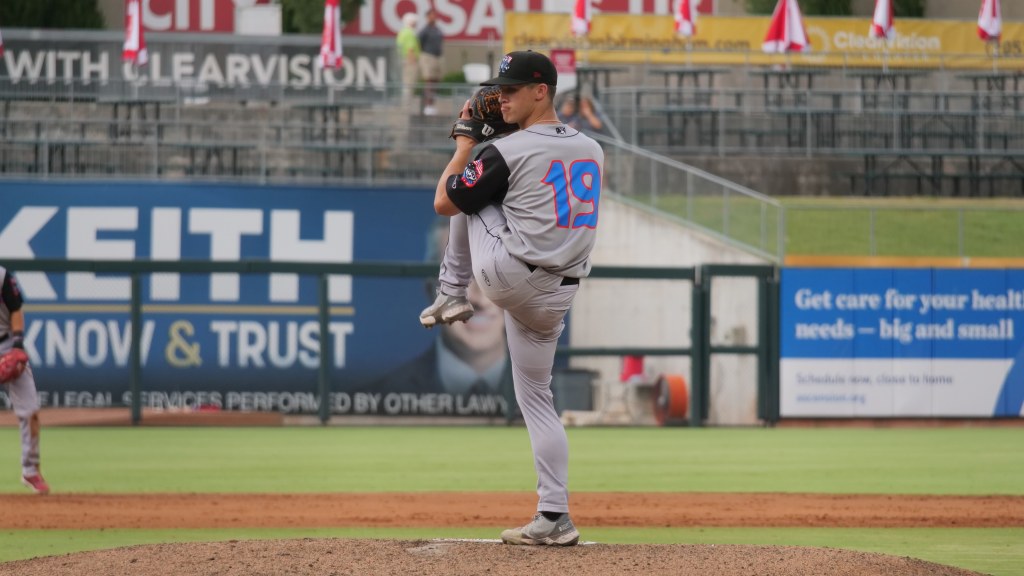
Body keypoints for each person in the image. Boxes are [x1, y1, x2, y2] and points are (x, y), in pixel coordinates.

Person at [419, 50, 604, 546]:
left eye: (512, 89)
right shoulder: (592, 148)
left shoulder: (506, 153)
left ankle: (451, 293)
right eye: (499, 88)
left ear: (541, 90)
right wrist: (494, 140)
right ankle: (554, 517)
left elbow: (446, 200)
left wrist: (465, 141)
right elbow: (529, 180)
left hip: (508, 276)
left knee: (464, 195)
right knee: (537, 400)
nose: (500, 96)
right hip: (557, 295)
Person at [369, 217, 510, 403]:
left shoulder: (555, 389)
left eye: (494, 273)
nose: (481, 299)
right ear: (430, 289)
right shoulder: (384, 395)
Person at [0, 265, 49, 495]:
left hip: (7, 344)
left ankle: (30, 470)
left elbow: (16, 308)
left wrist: (18, 345)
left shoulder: (1, 276)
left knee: (30, 411)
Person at [417, 8, 444, 116]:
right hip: (428, 56)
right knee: (429, 81)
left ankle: (432, 104)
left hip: (438, 57)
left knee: (436, 81)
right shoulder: (425, 30)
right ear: (428, 17)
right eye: (432, 15)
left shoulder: (437, 29)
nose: (434, 17)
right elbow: (419, 42)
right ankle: (427, 105)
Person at [395, 12, 420, 111]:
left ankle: (405, 104)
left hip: (403, 60)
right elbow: (410, 49)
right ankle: (407, 106)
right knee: (409, 84)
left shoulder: (402, 32)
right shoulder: (410, 33)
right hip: (410, 62)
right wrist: (413, 62)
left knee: (406, 83)